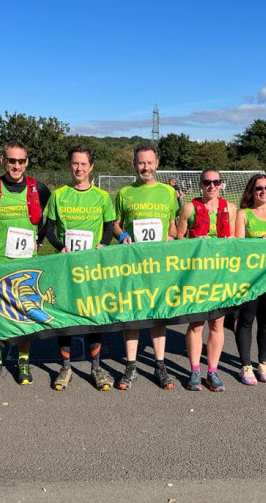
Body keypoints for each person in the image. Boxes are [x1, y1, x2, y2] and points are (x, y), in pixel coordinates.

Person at [0, 142, 51, 386]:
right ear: (2, 161)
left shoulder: (39, 188)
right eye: (12, 160)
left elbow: (49, 219)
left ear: (26, 162)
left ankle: (23, 361)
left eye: (21, 161)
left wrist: (40, 239)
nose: (16, 165)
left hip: (27, 262)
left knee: (25, 313)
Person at [44, 144, 116, 391]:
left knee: (92, 316)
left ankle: (96, 367)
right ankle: (65, 368)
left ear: (91, 167)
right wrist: (60, 247)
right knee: (65, 316)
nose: (79, 168)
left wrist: (102, 244)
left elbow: (108, 227)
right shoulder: (59, 194)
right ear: (69, 165)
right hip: (65, 267)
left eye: (84, 164)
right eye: (75, 163)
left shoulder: (102, 197)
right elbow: (49, 229)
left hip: (91, 269)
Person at [113, 142, 179, 390]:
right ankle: (130, 366)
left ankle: (160, 364)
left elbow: (172, 225)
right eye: (141, 162)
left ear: (157, 164)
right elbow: (116, 224)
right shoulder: (124, 193)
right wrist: (121, 236)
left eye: (150, 162)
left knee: (157, 314)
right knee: (133, 313)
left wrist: (172, 237)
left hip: (159, 265)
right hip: (133, 264)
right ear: (135, 164)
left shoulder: (168, 193)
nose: (146, 167)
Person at [176, 167, 237, 392]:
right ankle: (194, 370)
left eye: (216, 182)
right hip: (197, 275)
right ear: (200, 184)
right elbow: (180, 239)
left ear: (221, 184)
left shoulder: (230, 208)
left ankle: (212, 370)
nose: (212, 186)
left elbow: (237, 242)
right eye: (207, 182)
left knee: (217, 323)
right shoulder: (189, 208)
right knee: (196, 323)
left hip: (220, 274)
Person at [233, 174, 266, 385]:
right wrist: (258, 240)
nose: (263, 191)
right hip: (250, 277)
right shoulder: (243, 214)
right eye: (258, 188)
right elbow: (237, 244)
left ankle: (263, 362)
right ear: (251, 191)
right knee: (246, 321)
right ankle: (245, 365)